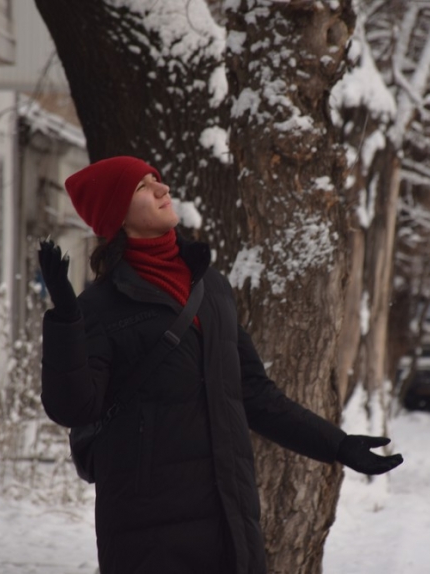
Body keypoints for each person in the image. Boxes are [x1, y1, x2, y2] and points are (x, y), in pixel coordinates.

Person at [38, 156, 403, 574]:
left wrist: (337, 445)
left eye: (157, 180)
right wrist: (67, 320)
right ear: (116, 215)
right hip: (148, 535)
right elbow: (73, 408)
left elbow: (255, 394)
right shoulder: (100, 308)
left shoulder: (209, 288)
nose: (162, 189)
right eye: (142, 187)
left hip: (230, 521)